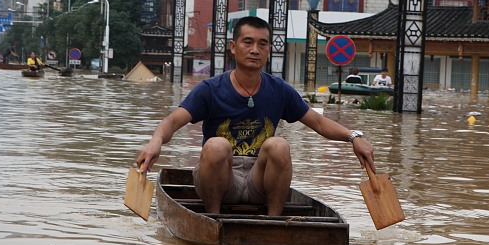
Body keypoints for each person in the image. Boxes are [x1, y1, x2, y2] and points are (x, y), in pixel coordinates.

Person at [136, 16, 375, 217]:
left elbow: (319, 122)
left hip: (259, 179)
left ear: (269, 50)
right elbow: (173, 121)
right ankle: (212, 218)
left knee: (278, 145)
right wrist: (154, 143)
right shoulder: (211, 89)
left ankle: (272, 224)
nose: (254, 50)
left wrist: (354, 137)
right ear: (233, 47)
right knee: (217, 145)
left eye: (262, 44)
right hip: (221, 178)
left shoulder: (279, 89)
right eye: (248, 42)